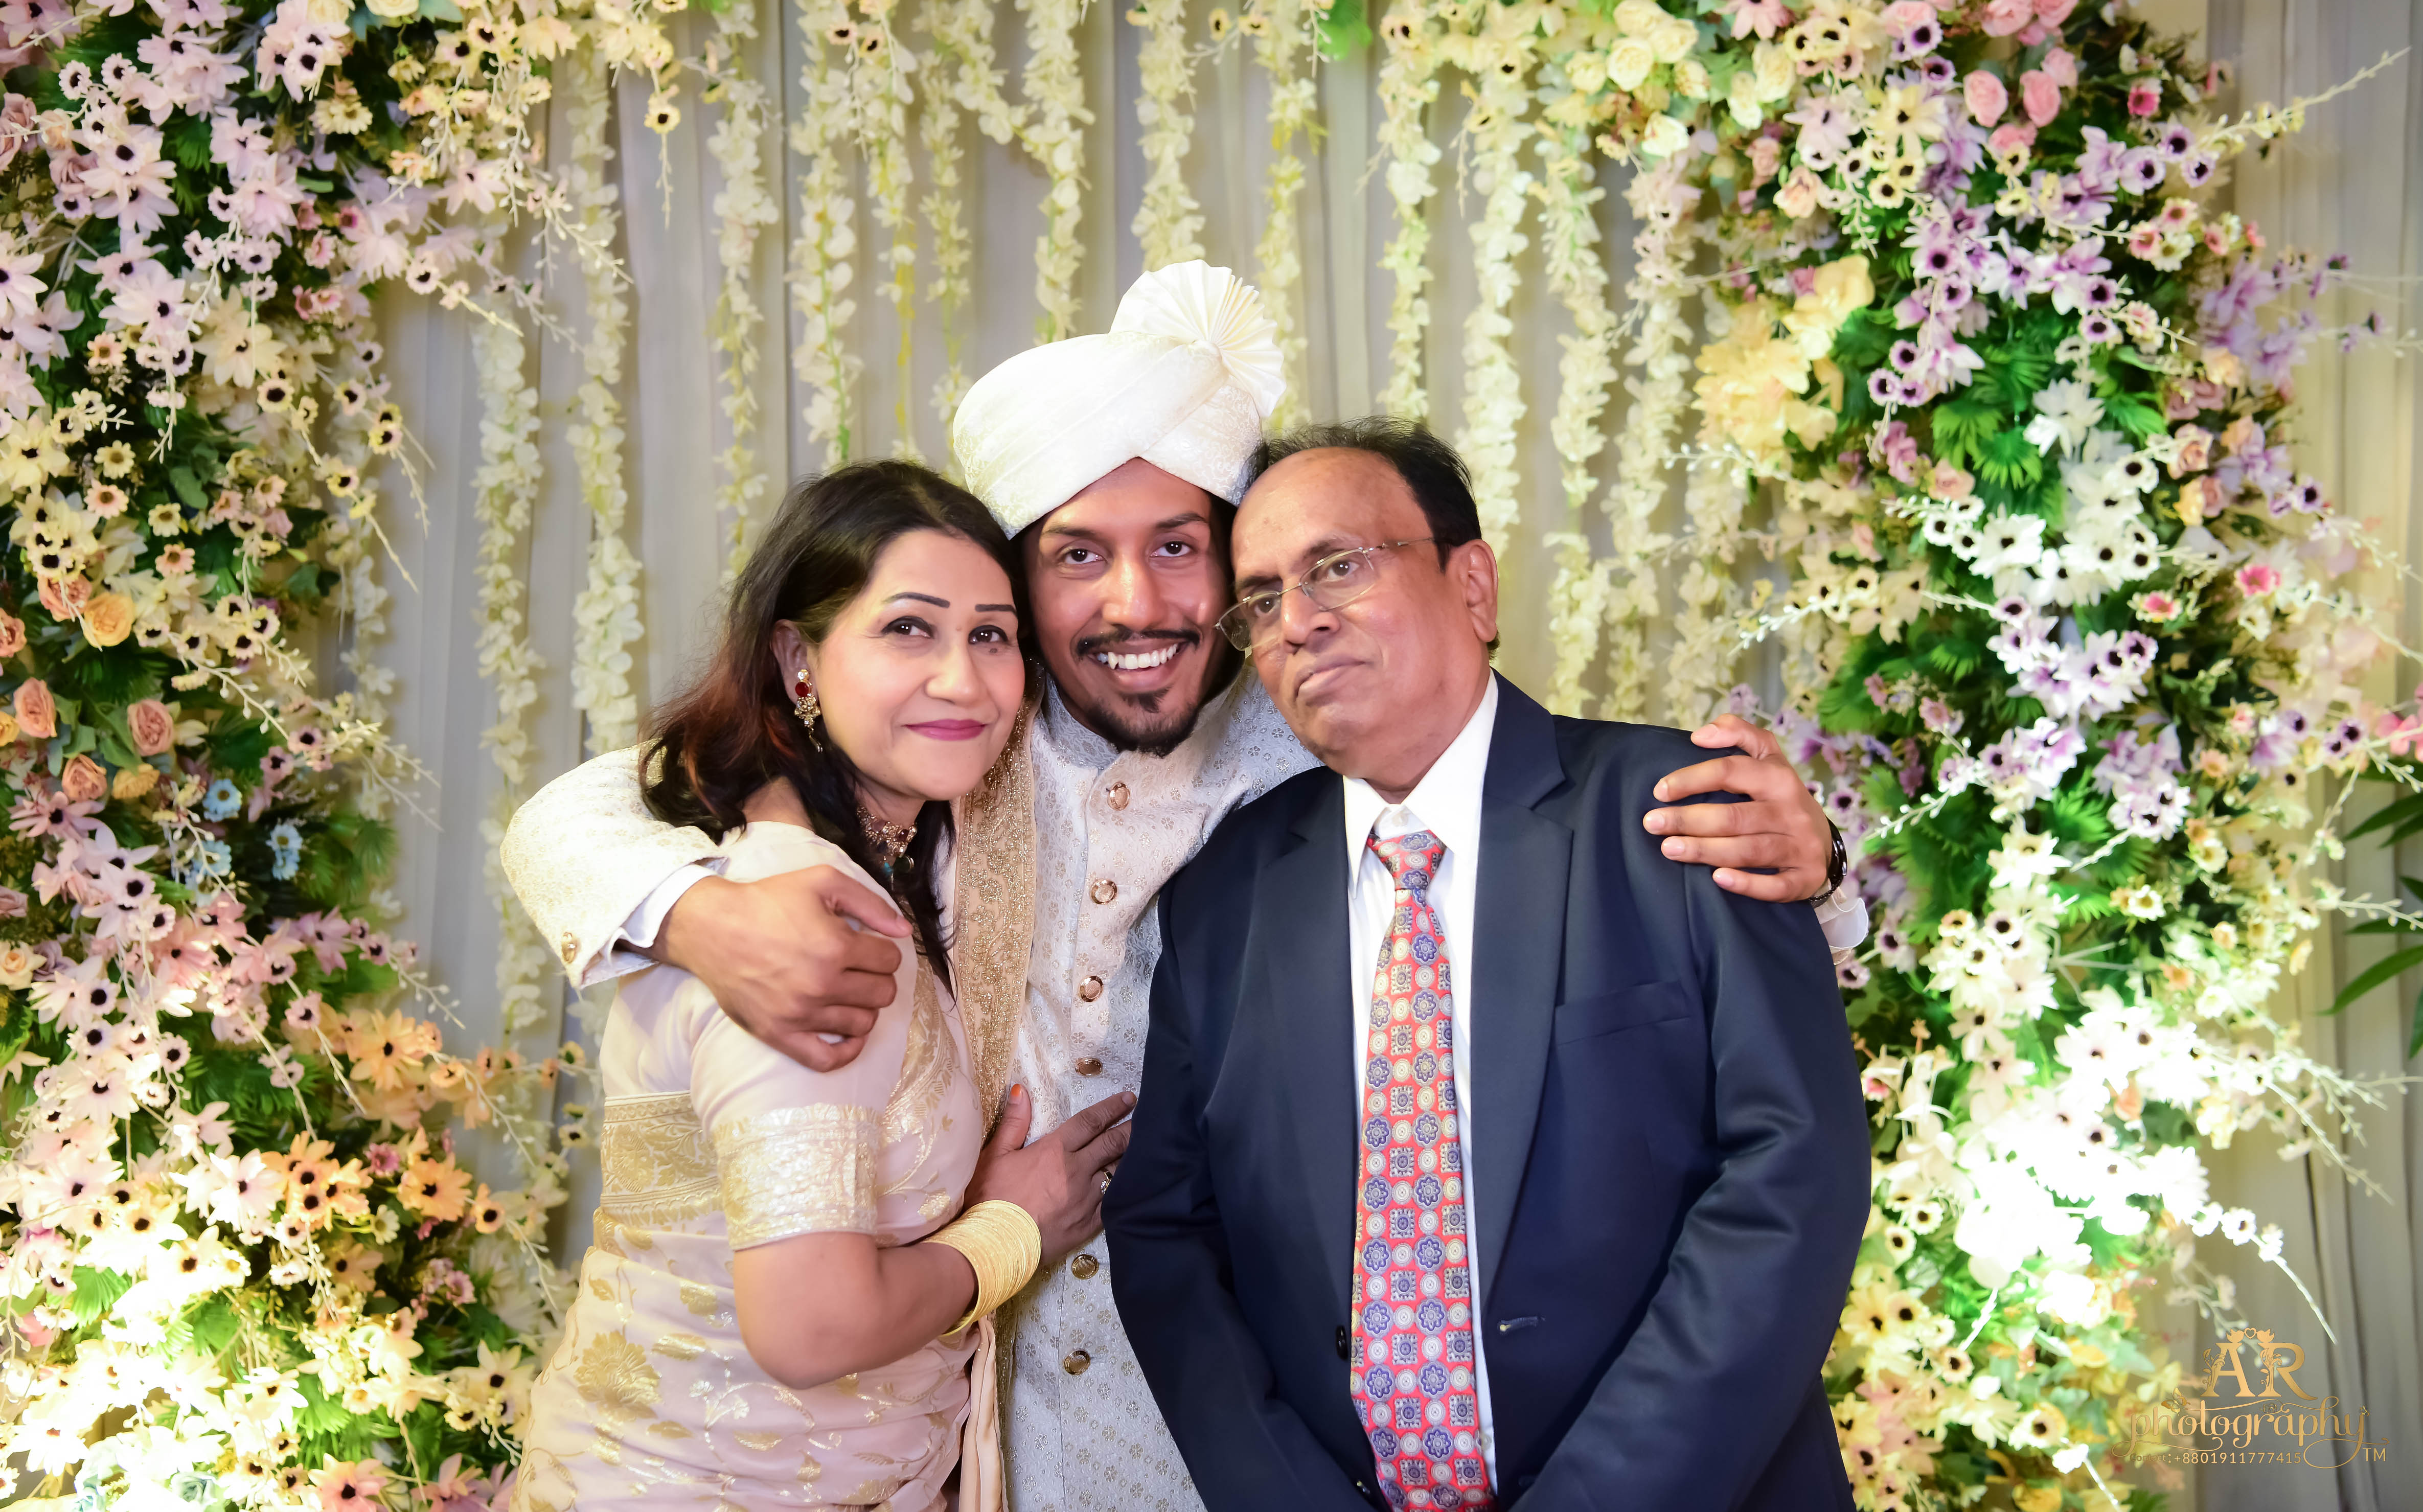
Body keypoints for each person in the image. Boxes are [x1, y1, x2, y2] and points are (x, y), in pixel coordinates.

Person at [502, 263, 1862, 1512]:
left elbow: (1557, 861)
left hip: (1251, 1415)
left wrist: (1818, 875)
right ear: (1021, 587)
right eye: (1073, 554)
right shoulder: (962, 727)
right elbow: (588, 805)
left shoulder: (1306, 732)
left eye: (1182, 546)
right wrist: (696, 910)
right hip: (1006, 1402)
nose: (1135, 604)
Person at [1104, 422, 1872, 1512]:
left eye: (1339, 566)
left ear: (1472, 585)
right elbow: (1167, 1230)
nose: (1301, 621)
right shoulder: (1224, 891)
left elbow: (1794, 1177)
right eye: (1263, 598)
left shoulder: (1682, 810)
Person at [510, 463, 1130, 1511]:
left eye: (991, 636)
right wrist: (1010, 1228)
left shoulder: (878, 851)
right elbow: (810, 1328)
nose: (963, 680)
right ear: (798, 655)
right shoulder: (807, 928)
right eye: (908, 630)